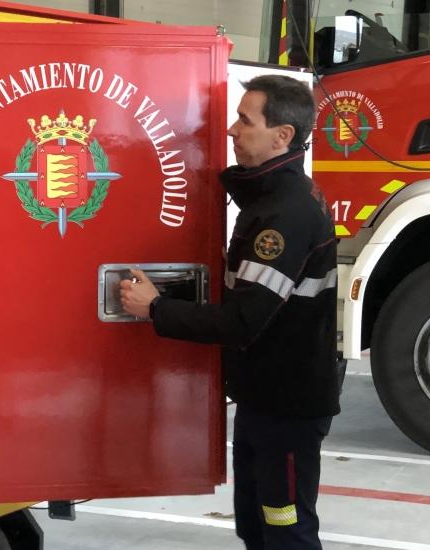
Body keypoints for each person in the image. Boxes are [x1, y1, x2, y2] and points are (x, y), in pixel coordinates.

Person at [119, 75, 340, 550]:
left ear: (282, 136)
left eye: (245, 120)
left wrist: (156, 307)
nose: (233, 131)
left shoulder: (284, 214)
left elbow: (244, 321)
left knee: (285, 530)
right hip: (267, 399)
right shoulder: (274, 200)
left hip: (286, 408)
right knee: (258, 528)